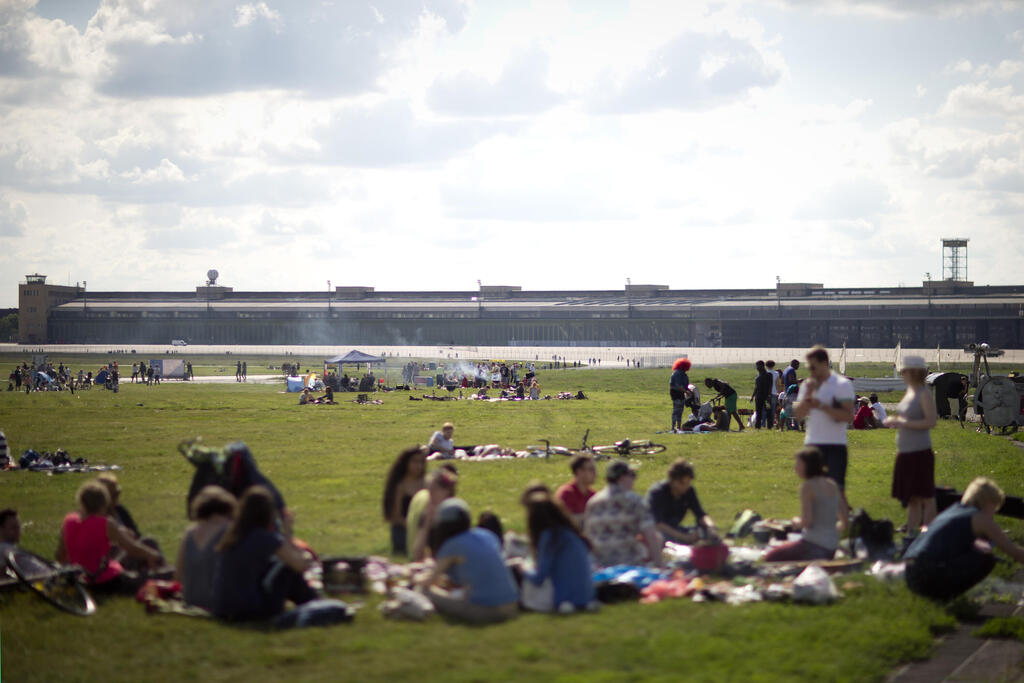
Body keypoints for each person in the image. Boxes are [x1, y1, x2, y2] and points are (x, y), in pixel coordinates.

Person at [904, 478, 1024, 600]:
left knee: (982, 549)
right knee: (986, 559)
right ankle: (945, 598)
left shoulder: (952, 511)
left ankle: (937, 599)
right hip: (929, 573)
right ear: (988, 501)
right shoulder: (980, 518)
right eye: (995, 506)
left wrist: (989, 542)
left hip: (910, 573)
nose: (994, 512)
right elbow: (1014, 552)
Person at [212, 486, 316, 621]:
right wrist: (288, 532)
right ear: (268, 512)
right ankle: (313, 604)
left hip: (222, 609)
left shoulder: (232, 535)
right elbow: (300, 565)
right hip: (250, 611)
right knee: (285, 568)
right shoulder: (264, 537)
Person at [419, 498, 519, 624]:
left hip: (487, 610)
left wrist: (414, 578)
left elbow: (427, 582)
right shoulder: (486, 535)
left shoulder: (452, 545)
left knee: (424, 591)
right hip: (512, 605)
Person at [56, 480, 162, 593]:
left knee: (147, 543)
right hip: (108, 581)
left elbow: (60, 556)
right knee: (167, 573)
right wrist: (152, 554)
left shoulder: (69, 521)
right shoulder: (105, 523)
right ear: (103, 503)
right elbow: (131, 548)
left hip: (81, 581)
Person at [793, 345, 855, 528]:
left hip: (835, 443)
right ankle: (815, 524)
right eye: (808, 367)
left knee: (837, 489)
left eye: (813, 367)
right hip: (813, 443)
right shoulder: (807, 385)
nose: (810, 371)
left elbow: (848, 416)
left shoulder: (841, 384)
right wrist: (809, 396)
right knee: (812, 487)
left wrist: (822, 406)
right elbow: (797, 414)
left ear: (825, 363)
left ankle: (844, 527)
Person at [885, 355, 939, 535]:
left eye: (904, 371)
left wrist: (902, 423)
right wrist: (896, 421)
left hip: (919, 451)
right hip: (906, 451)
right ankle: (911, 530)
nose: (902, 374)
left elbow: (931, 421)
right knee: (912, 496)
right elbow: (909, 418)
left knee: (925, 495)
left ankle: (928, 532)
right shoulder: (910, 391)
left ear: (914, 373)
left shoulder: (923, 393)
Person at [519, 489, 595, 613]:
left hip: (565, 599)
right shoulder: (572, 533)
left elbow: (539, 578)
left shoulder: (550, 536)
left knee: (528, 574)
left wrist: (521, 567)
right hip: (587, 596)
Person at [763, 448, 840, 562]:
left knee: (771, 556)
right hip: (832, 548)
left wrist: (795, 521)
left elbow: (807, 522)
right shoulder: (832, 484)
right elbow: (843, 521)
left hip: (814, 546)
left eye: (798, 464)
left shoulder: (808, 486)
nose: (795, 468)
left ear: (808, 466)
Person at [583, 460, 662, 567]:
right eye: (632, 475)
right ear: (622, 478)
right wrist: (660, 566)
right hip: (628, 566)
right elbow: (651, 536)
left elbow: (587, 538)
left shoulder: (592, 503)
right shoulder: (634, 501)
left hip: (599, 568)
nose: (634, 480)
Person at [174, 486, 236, 610]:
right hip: (219, 601)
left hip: (190, 599)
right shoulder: (229, 530)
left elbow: (178, 575)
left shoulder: (190, 533)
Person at [97, 472, 163, 571]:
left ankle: (163, 575)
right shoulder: (99, 518)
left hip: (130, 553)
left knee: (149, 542)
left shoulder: (119, 510)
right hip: (112, 563)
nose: (117, 497)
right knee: (149, 544)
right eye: (114, 495)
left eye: (118, 493)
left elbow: (137, 536)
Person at [644, 459, 716, 544]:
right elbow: (657, 524)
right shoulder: (657, 492)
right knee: (661, 537)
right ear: (672, 480)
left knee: (705, 531)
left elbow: (700, 514)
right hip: (655, 531)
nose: (686, 486)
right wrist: (685, 538)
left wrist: (711, 527)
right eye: (682, 483)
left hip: (676, 529)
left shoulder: (689, 491)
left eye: (688, 483)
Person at [382, 445, 428, 555]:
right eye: (414, 462)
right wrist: (414, 527)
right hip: (403, 529)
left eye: (421, 462)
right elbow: (396, 516)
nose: (418, 466)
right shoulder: (400, 486)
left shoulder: (426, 482)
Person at [408, 467, 459, 561]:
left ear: (446, 491)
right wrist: (427, 522)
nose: (430, 494)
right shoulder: (427, 513)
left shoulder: (454, 514)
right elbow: (417, 554)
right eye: (429, 489)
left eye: (433, 489)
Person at [554, 454, 597, 526]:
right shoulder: (566, 494)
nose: (595, 473)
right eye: (591, 469)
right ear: (579, 471)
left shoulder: (593, 495)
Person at [669, 358, 692, 432]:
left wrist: (689, 391)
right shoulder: (677, 373)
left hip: (682, 393)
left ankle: (678, 426)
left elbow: (685, 385)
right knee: (676, 410)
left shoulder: (684, 374)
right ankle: (673, 426)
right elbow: (678, 386)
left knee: (680, 410)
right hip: (676, 393)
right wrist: (686, 392)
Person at [751, 360, 774, 429]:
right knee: (758, 411)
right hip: (758, 397)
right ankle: (757, 426)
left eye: (758, 366)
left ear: (762, 366)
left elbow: (770, 386)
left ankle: (769, 426)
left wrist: (769, 395)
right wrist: (753, 396)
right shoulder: (758, 376)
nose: (757, 368)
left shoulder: (769, 375)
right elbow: (756, 387)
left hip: (766, 396)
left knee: (768, 411)